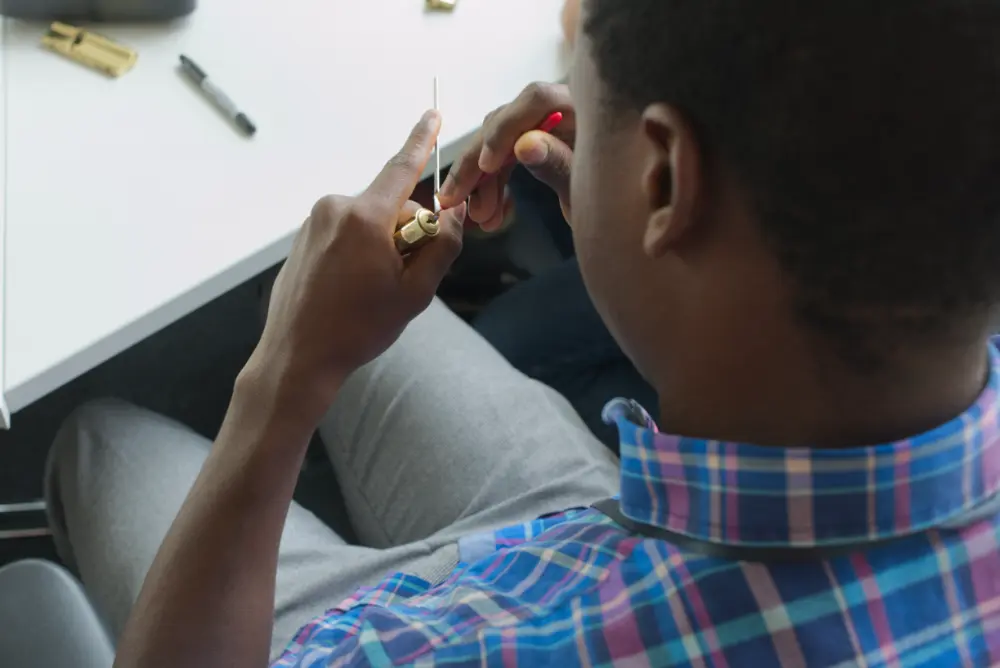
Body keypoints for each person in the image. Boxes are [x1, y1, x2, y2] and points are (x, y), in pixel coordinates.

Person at [46, 1, 1000, 666]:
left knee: (100, 441)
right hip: (624, 518)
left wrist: (284, 377)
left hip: (458, 615)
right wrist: (651, 235)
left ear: (668, 179)